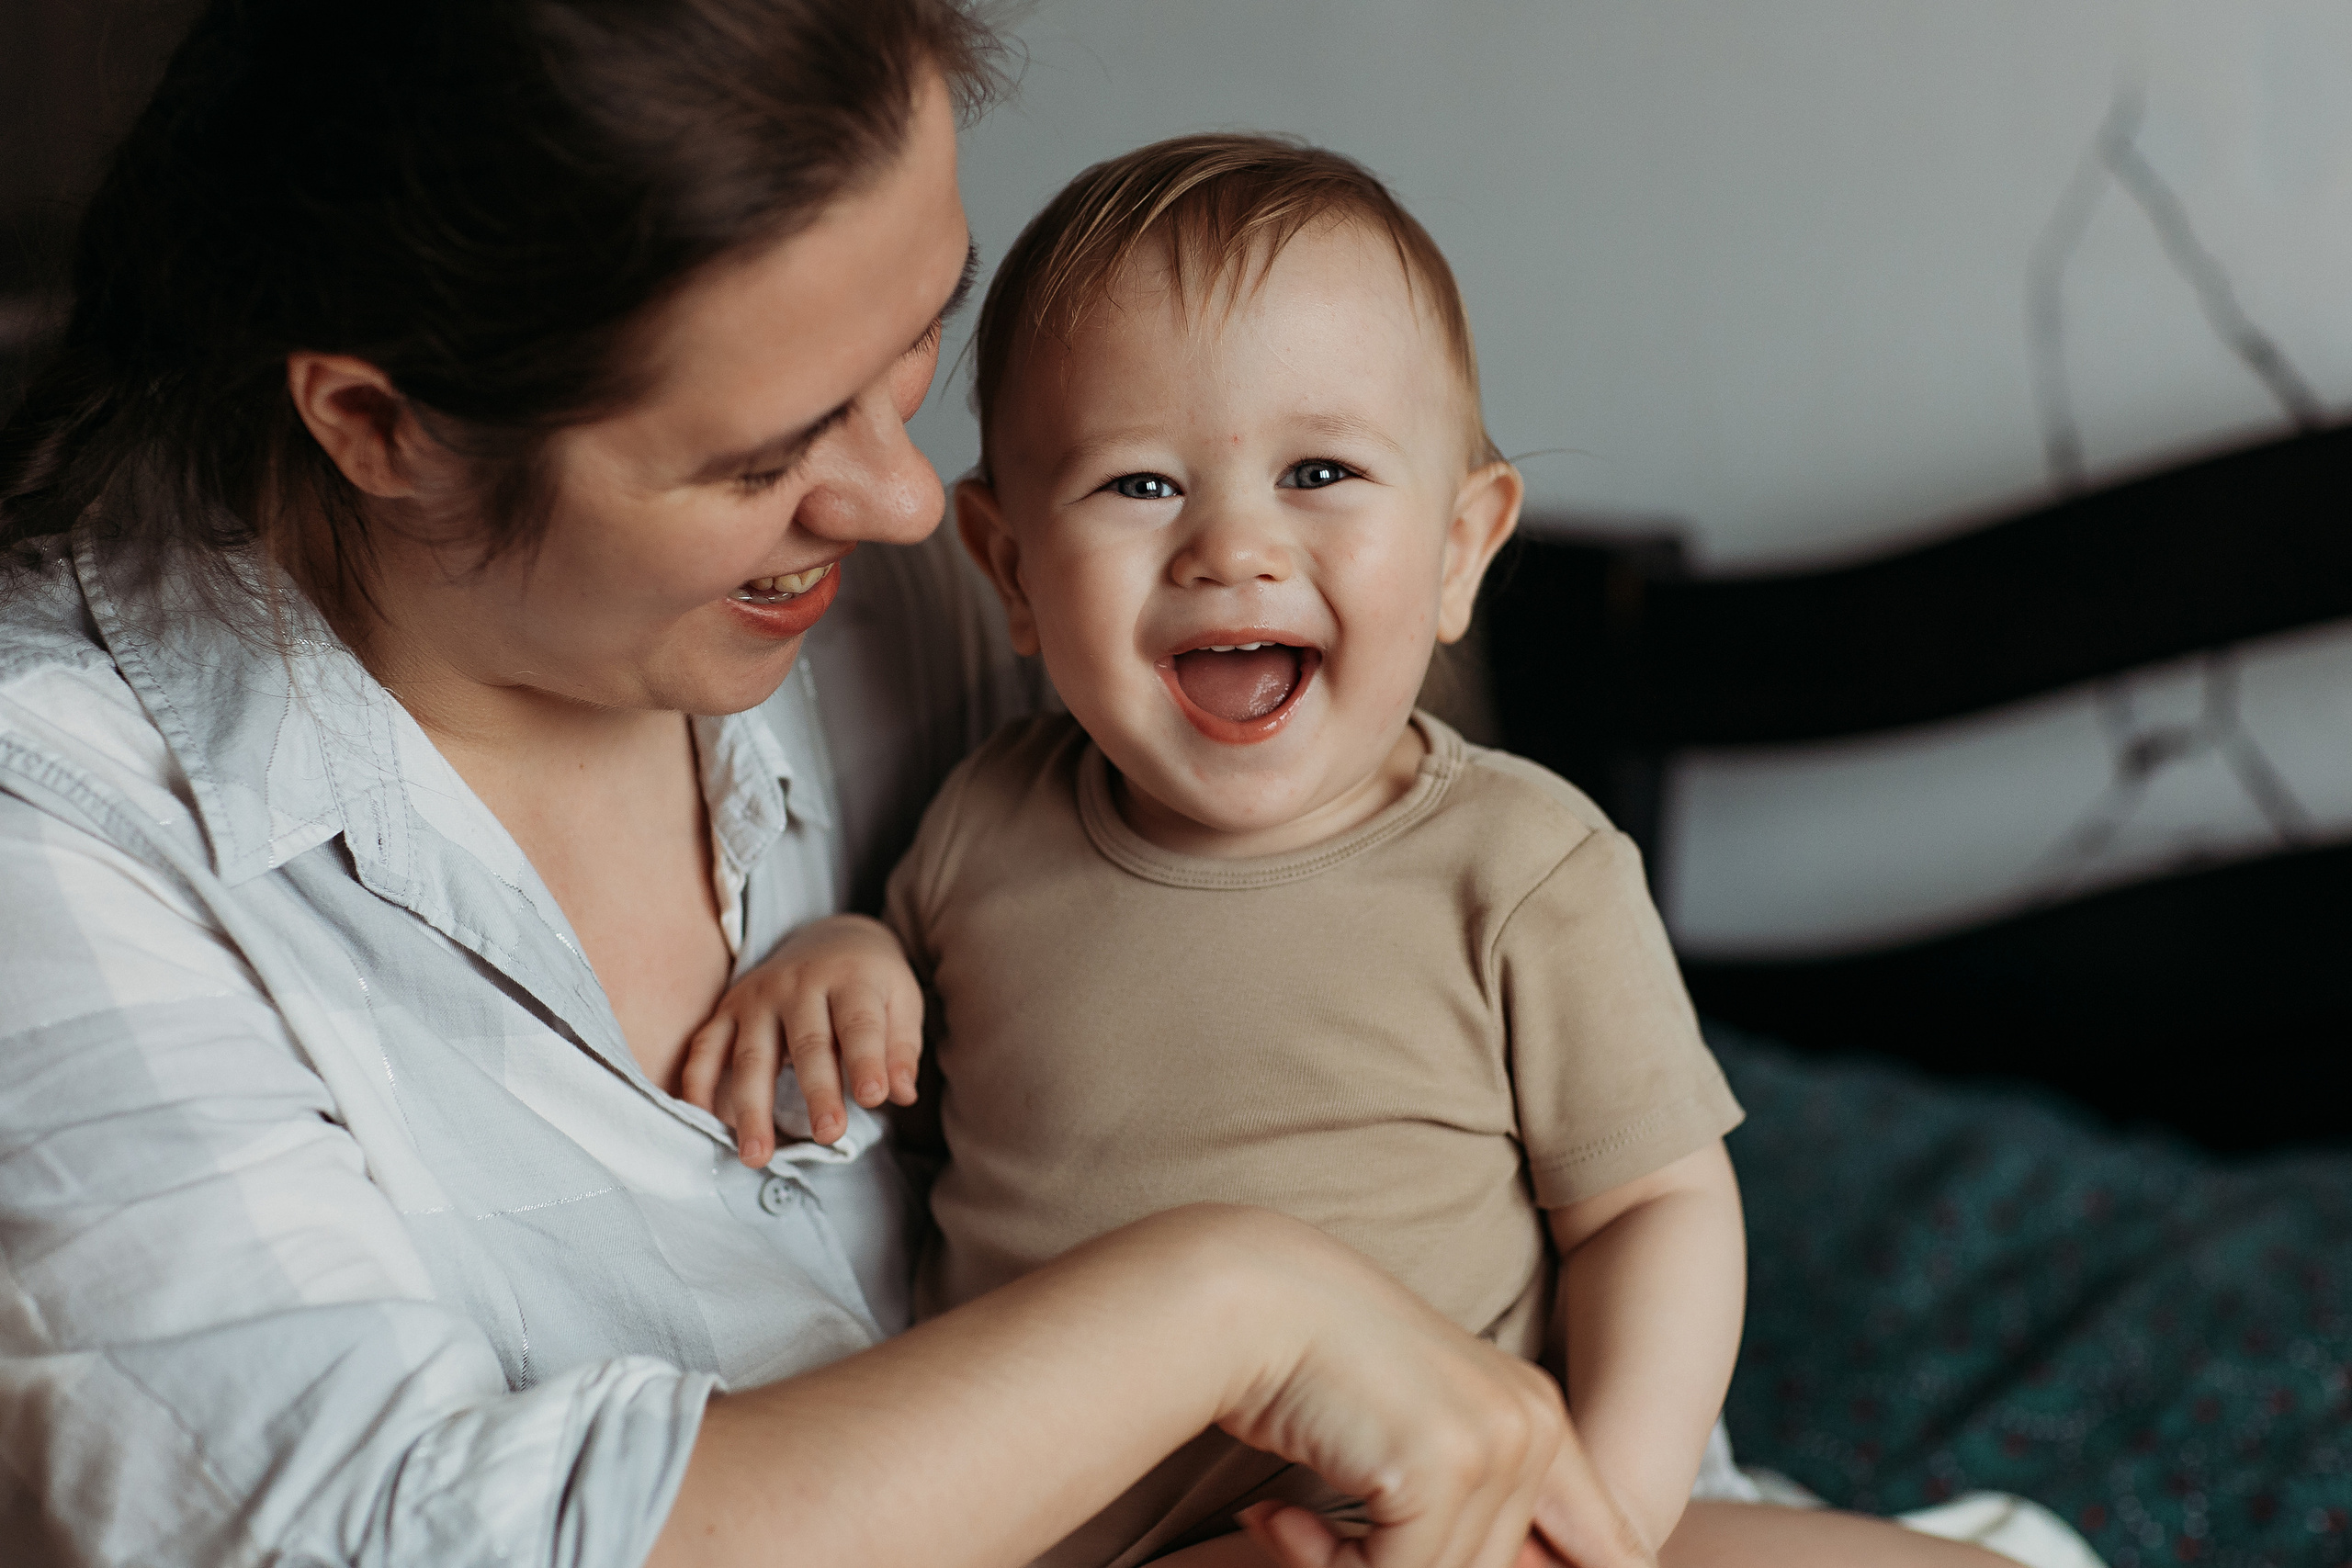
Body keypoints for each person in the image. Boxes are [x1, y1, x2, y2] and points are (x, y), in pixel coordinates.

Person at [0, 6, 1646, 1567]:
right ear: (384, 427)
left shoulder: (927, 616)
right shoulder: (68, 827)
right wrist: (1236, 1309)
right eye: (764, 453)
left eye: (918, 340)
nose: (906, 507)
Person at [689, 139, 2097, 1568]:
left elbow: (1656, 1210)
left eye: (1319, 470)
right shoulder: (977, 831)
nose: (1233, 548)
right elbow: (924, 1153)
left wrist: (1600, 1516)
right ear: (1009, 572)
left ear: (1459, 552)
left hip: (1477, 1517)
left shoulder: (1521, 867)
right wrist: (845, 958)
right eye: (1139, 487)